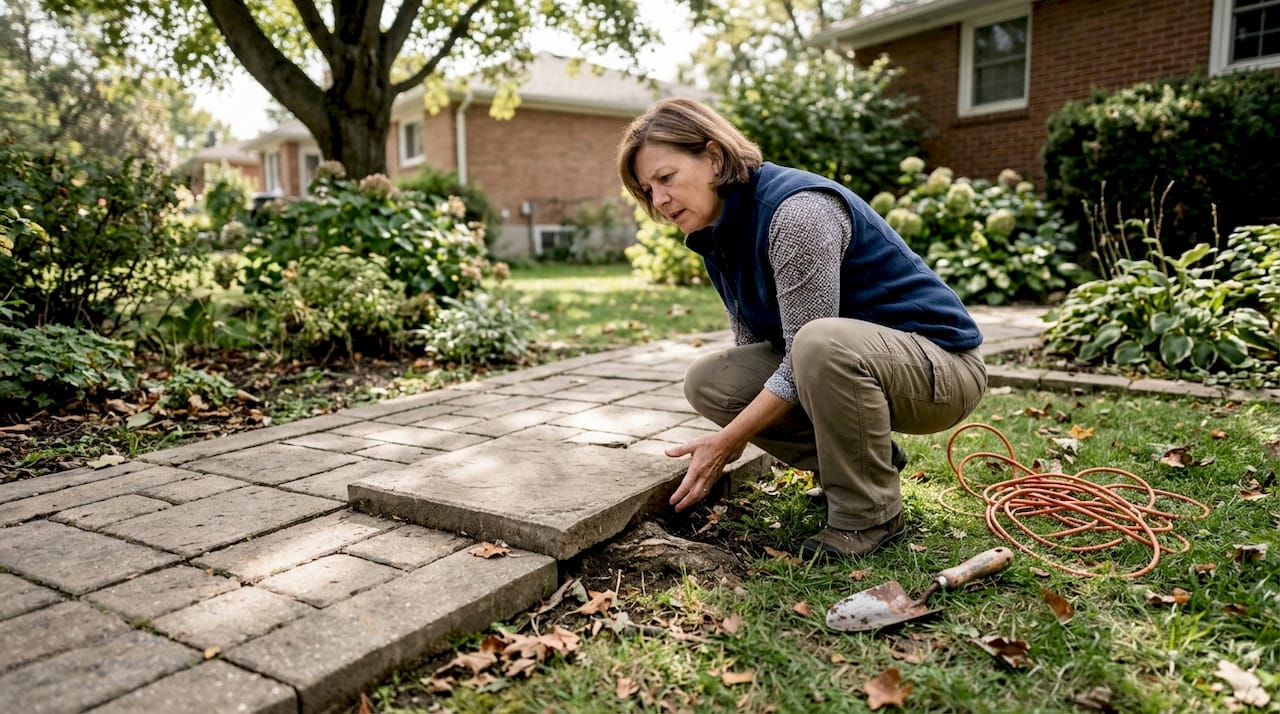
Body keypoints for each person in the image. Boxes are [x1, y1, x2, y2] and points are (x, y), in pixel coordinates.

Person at [616, 97, 988, 559]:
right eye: (647, 190)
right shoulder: (717, 232)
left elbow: (800, 359)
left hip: (942, 368)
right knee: (712, 381)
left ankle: (869, 515)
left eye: (666, 178)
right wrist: (735, 425)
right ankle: (863, 466)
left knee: (817, 342)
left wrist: (727, 442)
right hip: (854, 363)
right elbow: (756, 348)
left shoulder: (797, 214)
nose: (660, 200)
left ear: (713, 157)